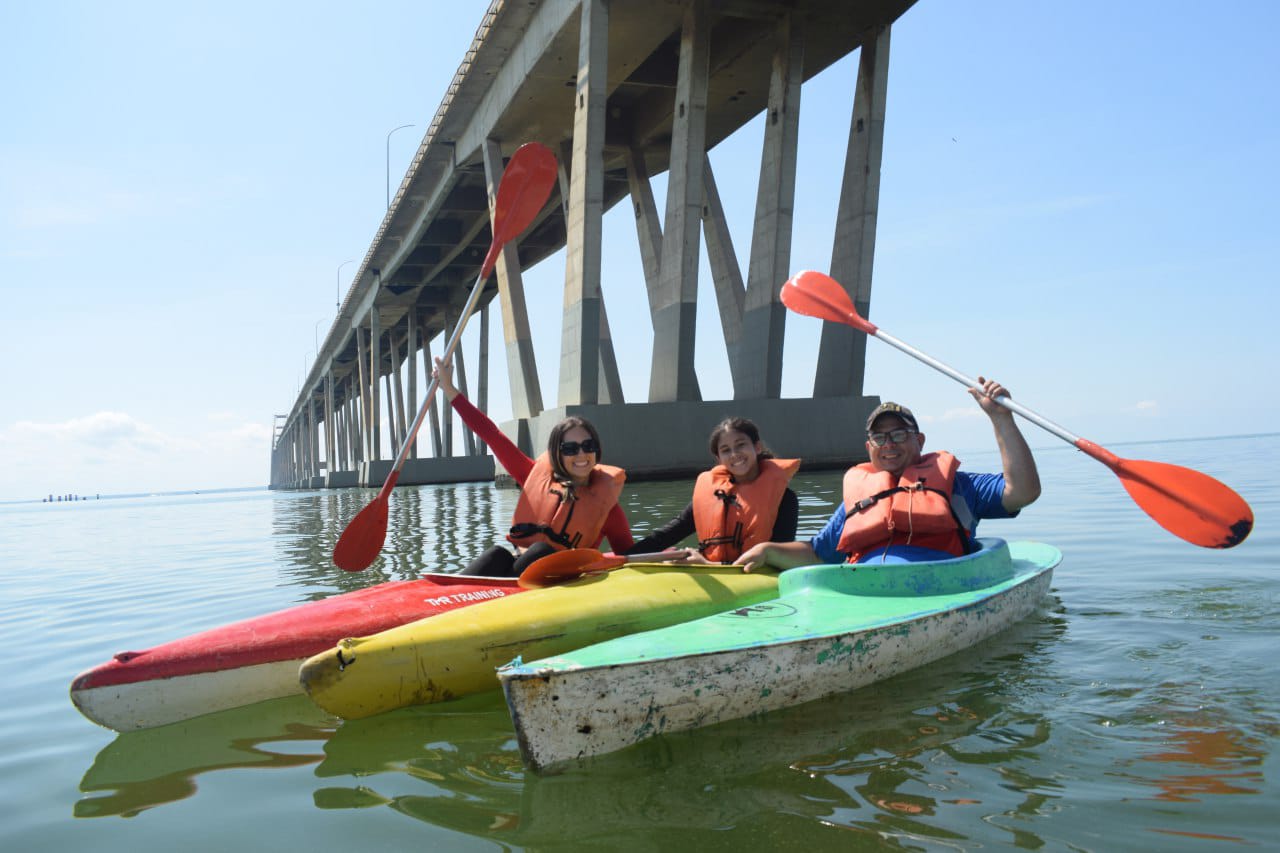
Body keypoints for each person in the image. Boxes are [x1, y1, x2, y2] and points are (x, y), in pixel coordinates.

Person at [737, 377, 1041, 571]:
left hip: (938, 588)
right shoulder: (858, 500)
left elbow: (1023, 492)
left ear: (919, 441)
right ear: (869, 448)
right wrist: (766, 550)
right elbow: (819, 554)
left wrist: (1002, 419)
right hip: (867, 591)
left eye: (898, 435)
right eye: (880, 438)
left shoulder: (959, 486)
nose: (889, 445)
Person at [433, 357, 634, 576]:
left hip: (556, 581)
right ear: (557, 453)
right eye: (570, 448)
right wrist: (449, 389)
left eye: (588, 446)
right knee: (497, 554)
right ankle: (443, 598)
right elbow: (492, 436)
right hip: (519, 572)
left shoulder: (608, 509)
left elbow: (631, 555)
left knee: (541, 550)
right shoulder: (533, 475)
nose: (581, 454)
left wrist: (672, 546)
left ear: (596, 449)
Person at [627, 417, 800, 564]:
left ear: (757, 447)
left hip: (756, 576)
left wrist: (708, 565)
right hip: (712, 568)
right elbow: (667, 535)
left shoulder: (785, 499)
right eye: (726, 450)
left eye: (741, 445)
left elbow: (778, 557)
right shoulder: (713, 495)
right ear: (718, 458)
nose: (734, 454)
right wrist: (623, 558)